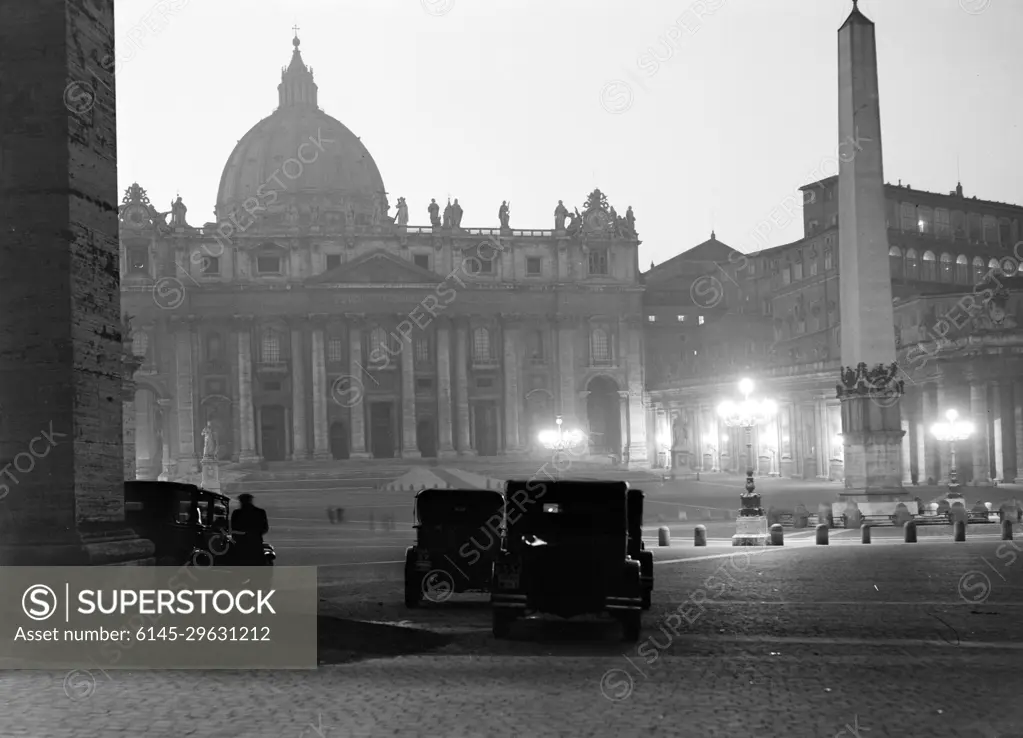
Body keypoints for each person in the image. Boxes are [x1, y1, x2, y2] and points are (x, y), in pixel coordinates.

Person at [231, 493, 269, 566]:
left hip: (241, 544)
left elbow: (233, 528)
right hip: (256, 543)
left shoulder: (236, 513)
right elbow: (265, 528)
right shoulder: (260, 512)